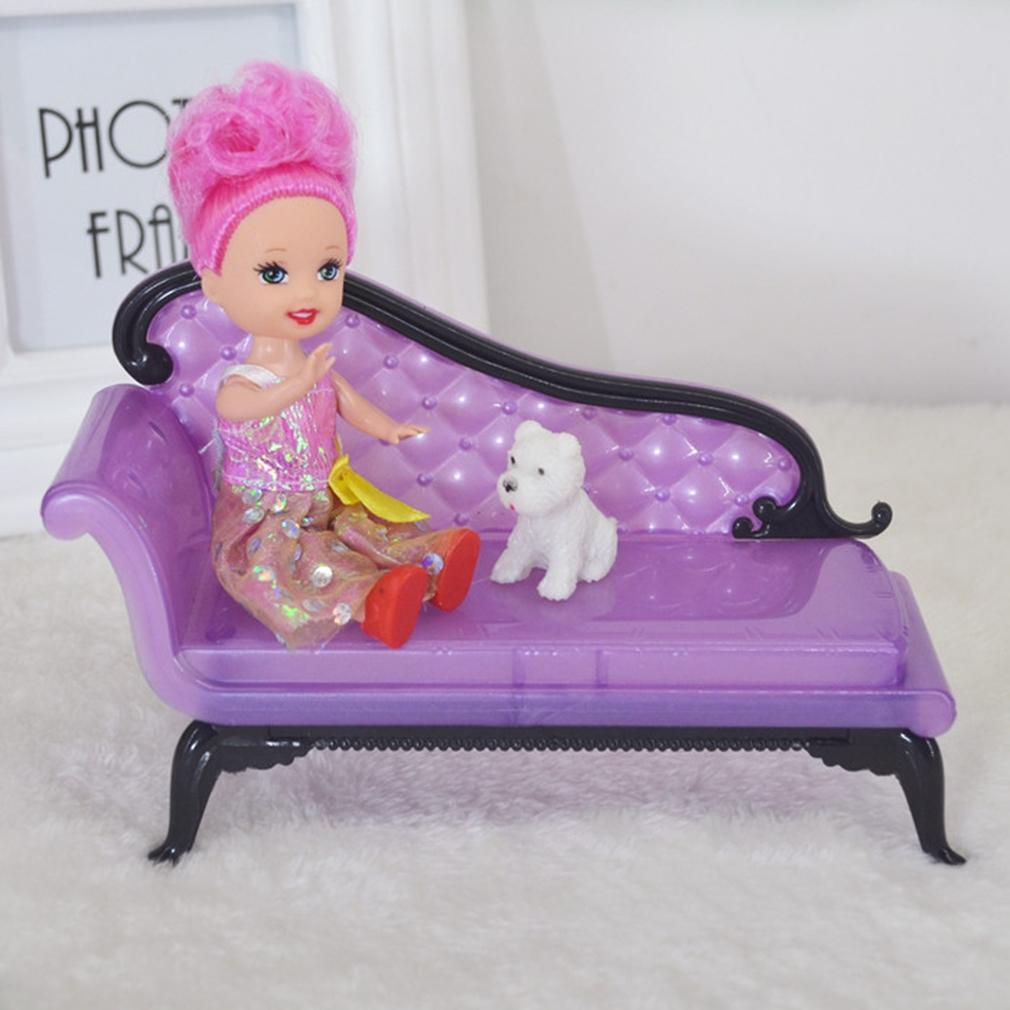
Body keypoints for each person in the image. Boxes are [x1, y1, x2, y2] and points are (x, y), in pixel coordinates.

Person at [167, 62, 479, 649]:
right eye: (275, 272)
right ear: (213, 280)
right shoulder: (244, 378)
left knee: (363, 533)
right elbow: (240, 410)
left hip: (324, 501)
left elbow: (347, 401)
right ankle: (372, 604)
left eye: (328, 269)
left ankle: (433, 563)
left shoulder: (316, 369)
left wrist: (387, 428)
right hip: (263, 519)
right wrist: (298, 383)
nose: (308, 292)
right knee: (292, 567)